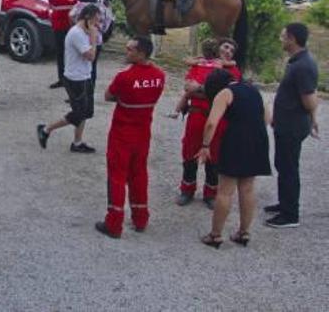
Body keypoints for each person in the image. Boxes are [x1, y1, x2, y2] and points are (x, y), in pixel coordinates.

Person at [95, 37, 165, 239]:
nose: (127, 52)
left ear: (141, 53)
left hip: (122, 134)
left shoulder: (124, 77)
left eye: (130, 50)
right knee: (139, 175)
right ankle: (140, 218)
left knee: (117, 177)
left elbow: (108, 96)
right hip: (143, 133)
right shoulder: (159, 76)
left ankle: (114, 223)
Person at [198, 69, 272, 248]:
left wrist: (205, 146)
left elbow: (211, 123)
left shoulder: (225, 93)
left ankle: (215, 235)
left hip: (236, 140)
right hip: (257, 140)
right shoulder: (253, 89)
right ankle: (243, 232)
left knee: (225, 191)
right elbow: (267, 118)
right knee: (247, 188)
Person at [265, 23, 319, 228]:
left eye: (283, 36)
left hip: (292, 127)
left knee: (288, 167)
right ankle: (284, 203)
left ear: (292, 38)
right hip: (285, 125)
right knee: (283, 164)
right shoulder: (297, 62)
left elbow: (309, 98)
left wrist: (312, 118)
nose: (281, 40)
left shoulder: (303, 66)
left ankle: (290, 215)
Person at [37, 4, 100, 153]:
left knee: (86, 112)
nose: (97, 24)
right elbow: (91, 56)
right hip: (75, 79)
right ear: (87, 18)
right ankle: (45, 129)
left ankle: (77, 143)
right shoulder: (77, 34)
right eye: (96, 21)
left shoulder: (84, 31)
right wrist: (93, 39)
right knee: (79, 113)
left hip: (85, 76)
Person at [174, 39, 224, 207]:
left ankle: (210, 193)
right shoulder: (197, 66)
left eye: (212, 47)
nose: (209, 50)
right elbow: (188, 88)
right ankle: (187, 189)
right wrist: (205, 91)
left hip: (216, 117)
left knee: (214, 154)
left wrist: (200, 89)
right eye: (207, 47)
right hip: (196, 116)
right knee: (189, 152)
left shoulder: (224, 68)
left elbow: (222, 92)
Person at [69, 0, 113, 84]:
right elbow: (109, 20)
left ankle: (80, 92)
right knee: (93, 67)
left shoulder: (79, 6)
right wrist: (101, 30)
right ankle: (90, 93)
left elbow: (71, 15)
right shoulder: (103, 7)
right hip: (97, 40)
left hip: (81, 39)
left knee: (79, 65)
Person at [47, 0, 80, 89]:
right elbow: (51, 4)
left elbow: (79, 6)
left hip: (72, 25)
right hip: (58, 24)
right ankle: (61, 78)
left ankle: (73, 78)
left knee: (72, 52)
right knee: (60, 52)